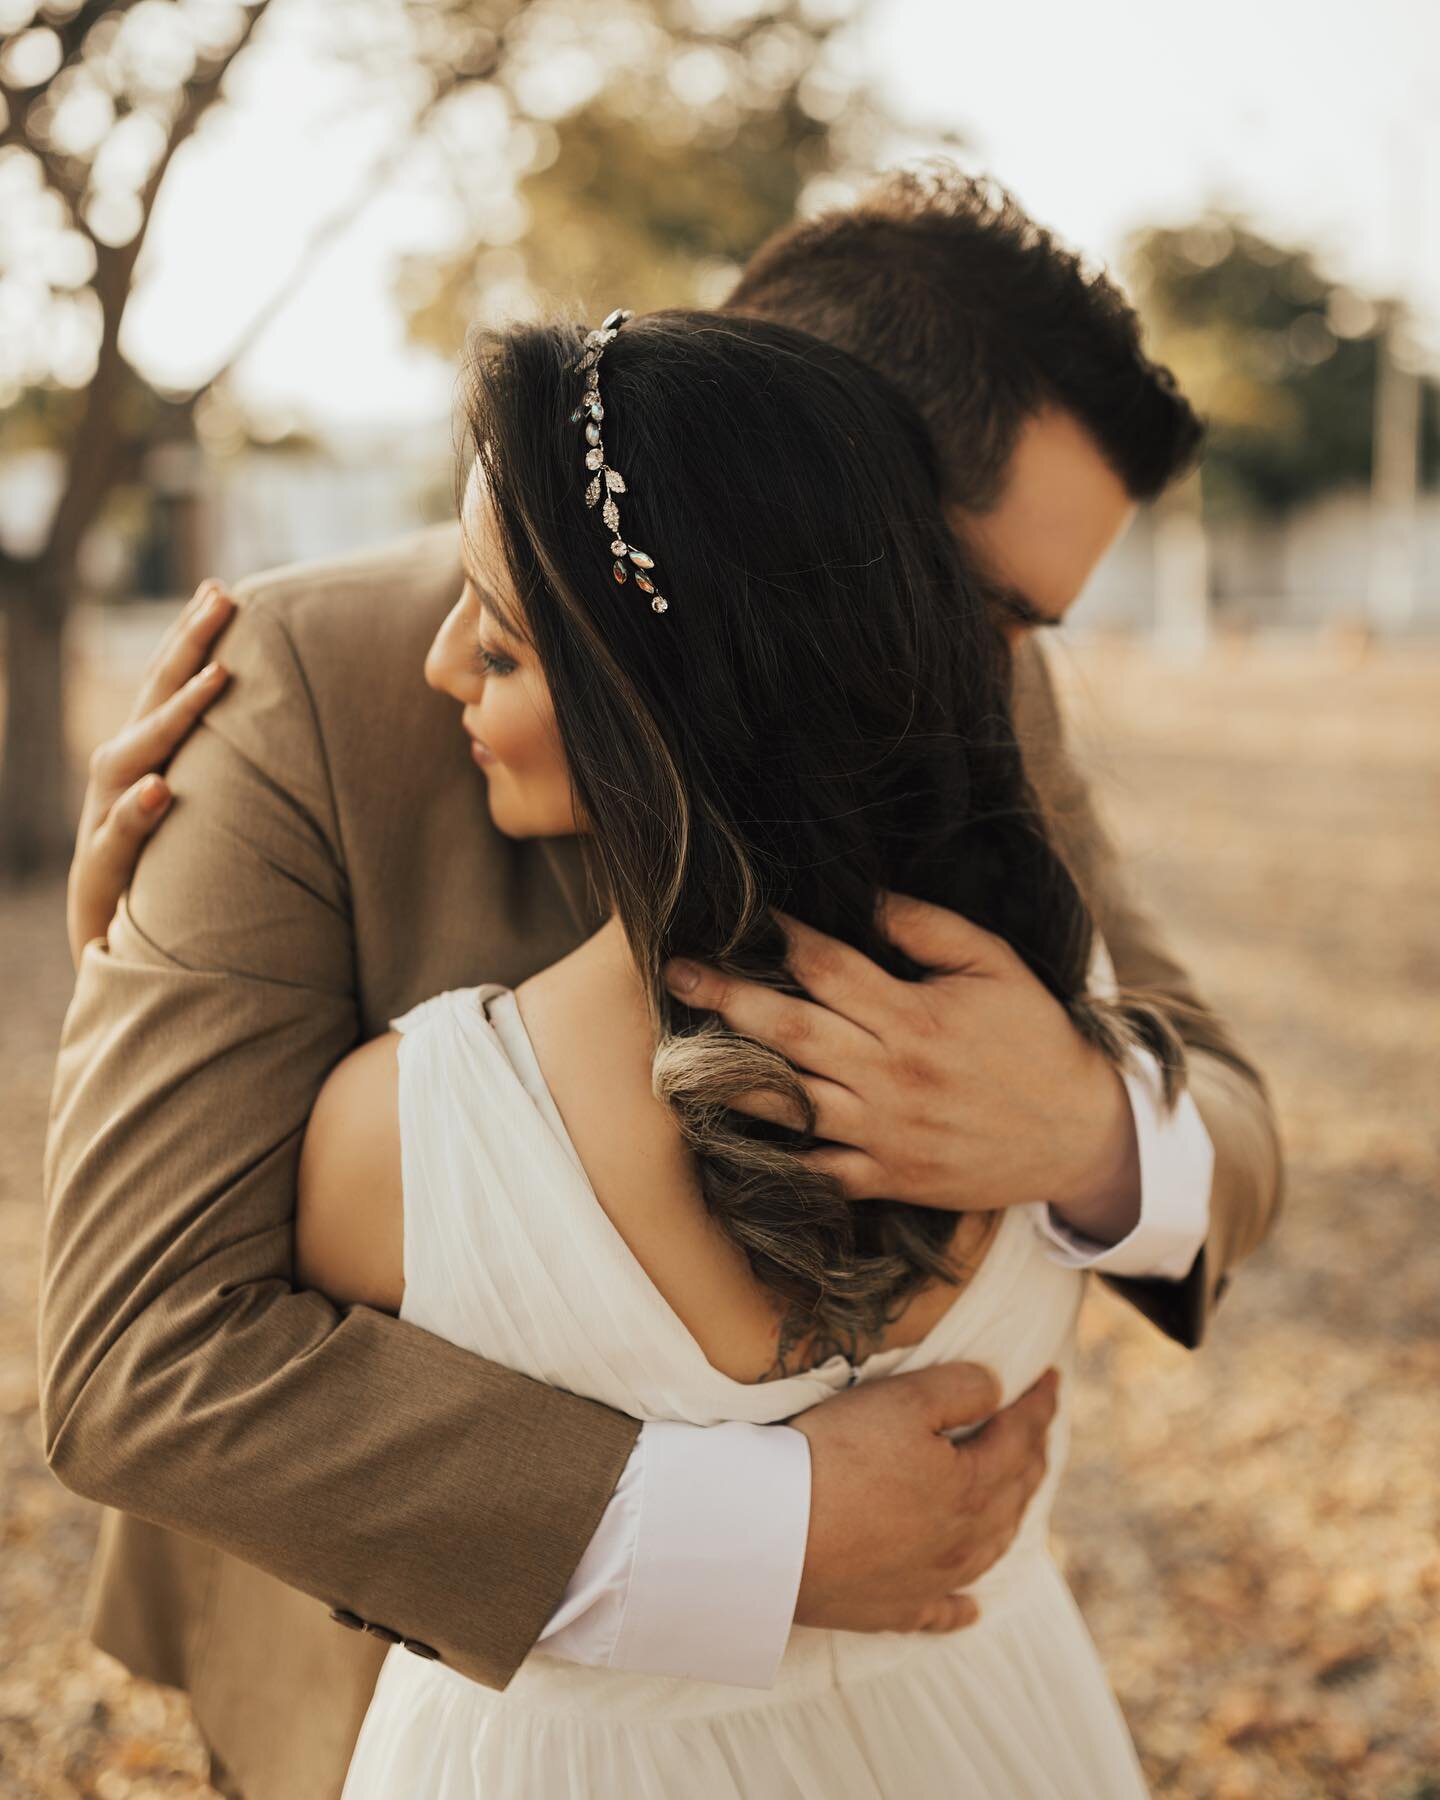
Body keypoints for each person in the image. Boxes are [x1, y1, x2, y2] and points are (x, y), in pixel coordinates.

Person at [42, 169, 1281, 1800]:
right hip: (428, 1677)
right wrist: (767, 1538)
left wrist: (1084, 1124)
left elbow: (1232, 1119)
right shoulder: (297, 684)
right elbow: (147, 1345)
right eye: (975, 598)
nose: (986, 668)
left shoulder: (982, 694)